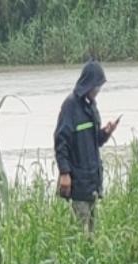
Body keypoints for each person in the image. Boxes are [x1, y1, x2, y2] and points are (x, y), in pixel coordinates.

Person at [54, 59, 119, 233]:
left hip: (92, 182)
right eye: (96, 86)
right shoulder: (70, 106)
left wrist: (106, 133)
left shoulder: (91, 106)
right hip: (78, 181)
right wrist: (64, 173)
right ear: (88, 84)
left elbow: (94, 141)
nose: (98, 90)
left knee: (91, 232)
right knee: (80, 232)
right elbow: (60, 141)